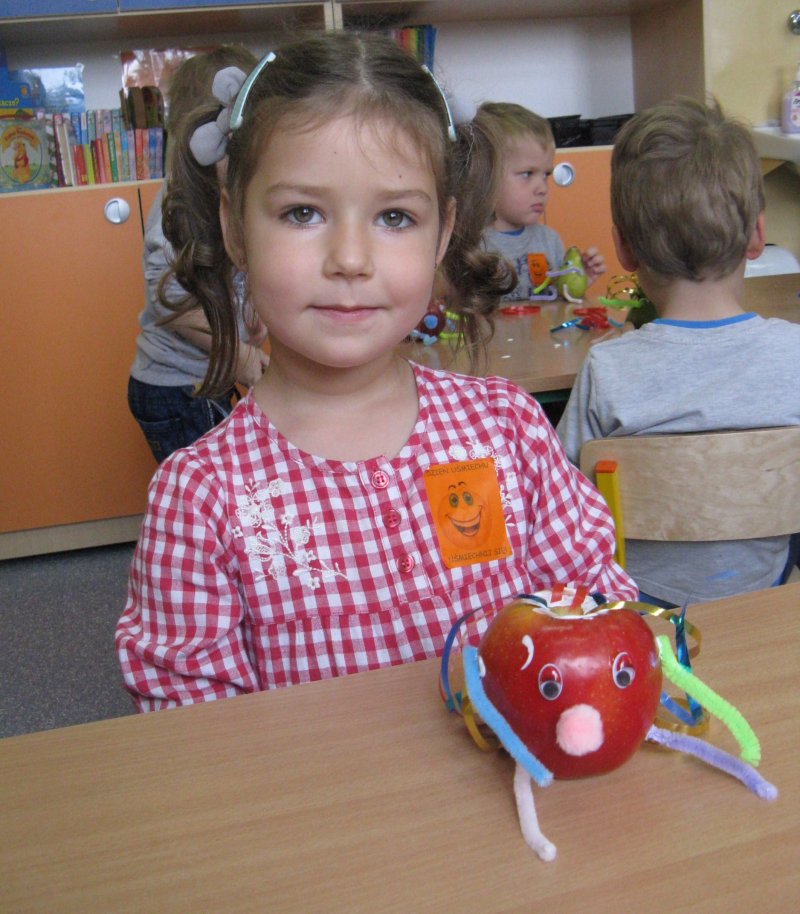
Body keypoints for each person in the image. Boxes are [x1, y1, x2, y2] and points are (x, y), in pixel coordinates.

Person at [116, 32, 637, 712]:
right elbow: (189, 727)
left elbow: (596, 606)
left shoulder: (506, 429)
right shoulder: (200, 497)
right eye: (302, 213)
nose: (351, 259)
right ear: (236, 227)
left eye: (395, 216)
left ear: (442, 233)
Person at [556, 96, 800, 607]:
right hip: (768, 591)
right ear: (758, 235)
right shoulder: (793, 353)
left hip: (641, 604)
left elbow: (563, 504)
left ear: (624, 247)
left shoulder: (607, 370)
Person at [128, 45, 269, 463]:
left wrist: (252, 314)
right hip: (177, 389)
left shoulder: (224, 193)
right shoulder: (182, 206)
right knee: (208, 484)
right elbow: (171, 300)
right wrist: (239, 353)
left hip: (202, 380)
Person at [476, 102, 606, 301]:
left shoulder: (549, 241)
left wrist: (577, 284)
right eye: (527, 174)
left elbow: (558, 307)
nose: (542, 188)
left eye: (546, 175)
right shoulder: (474, 247)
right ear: (486, 177)